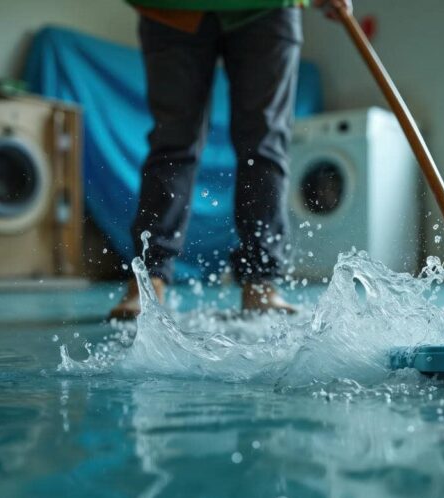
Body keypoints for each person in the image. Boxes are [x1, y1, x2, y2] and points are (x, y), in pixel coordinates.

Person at [111, 0, 351, 320]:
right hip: (171, 7)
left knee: (265, 144)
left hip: (267, 8)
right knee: (172, 142)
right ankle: (147, 281)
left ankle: (261, 283)